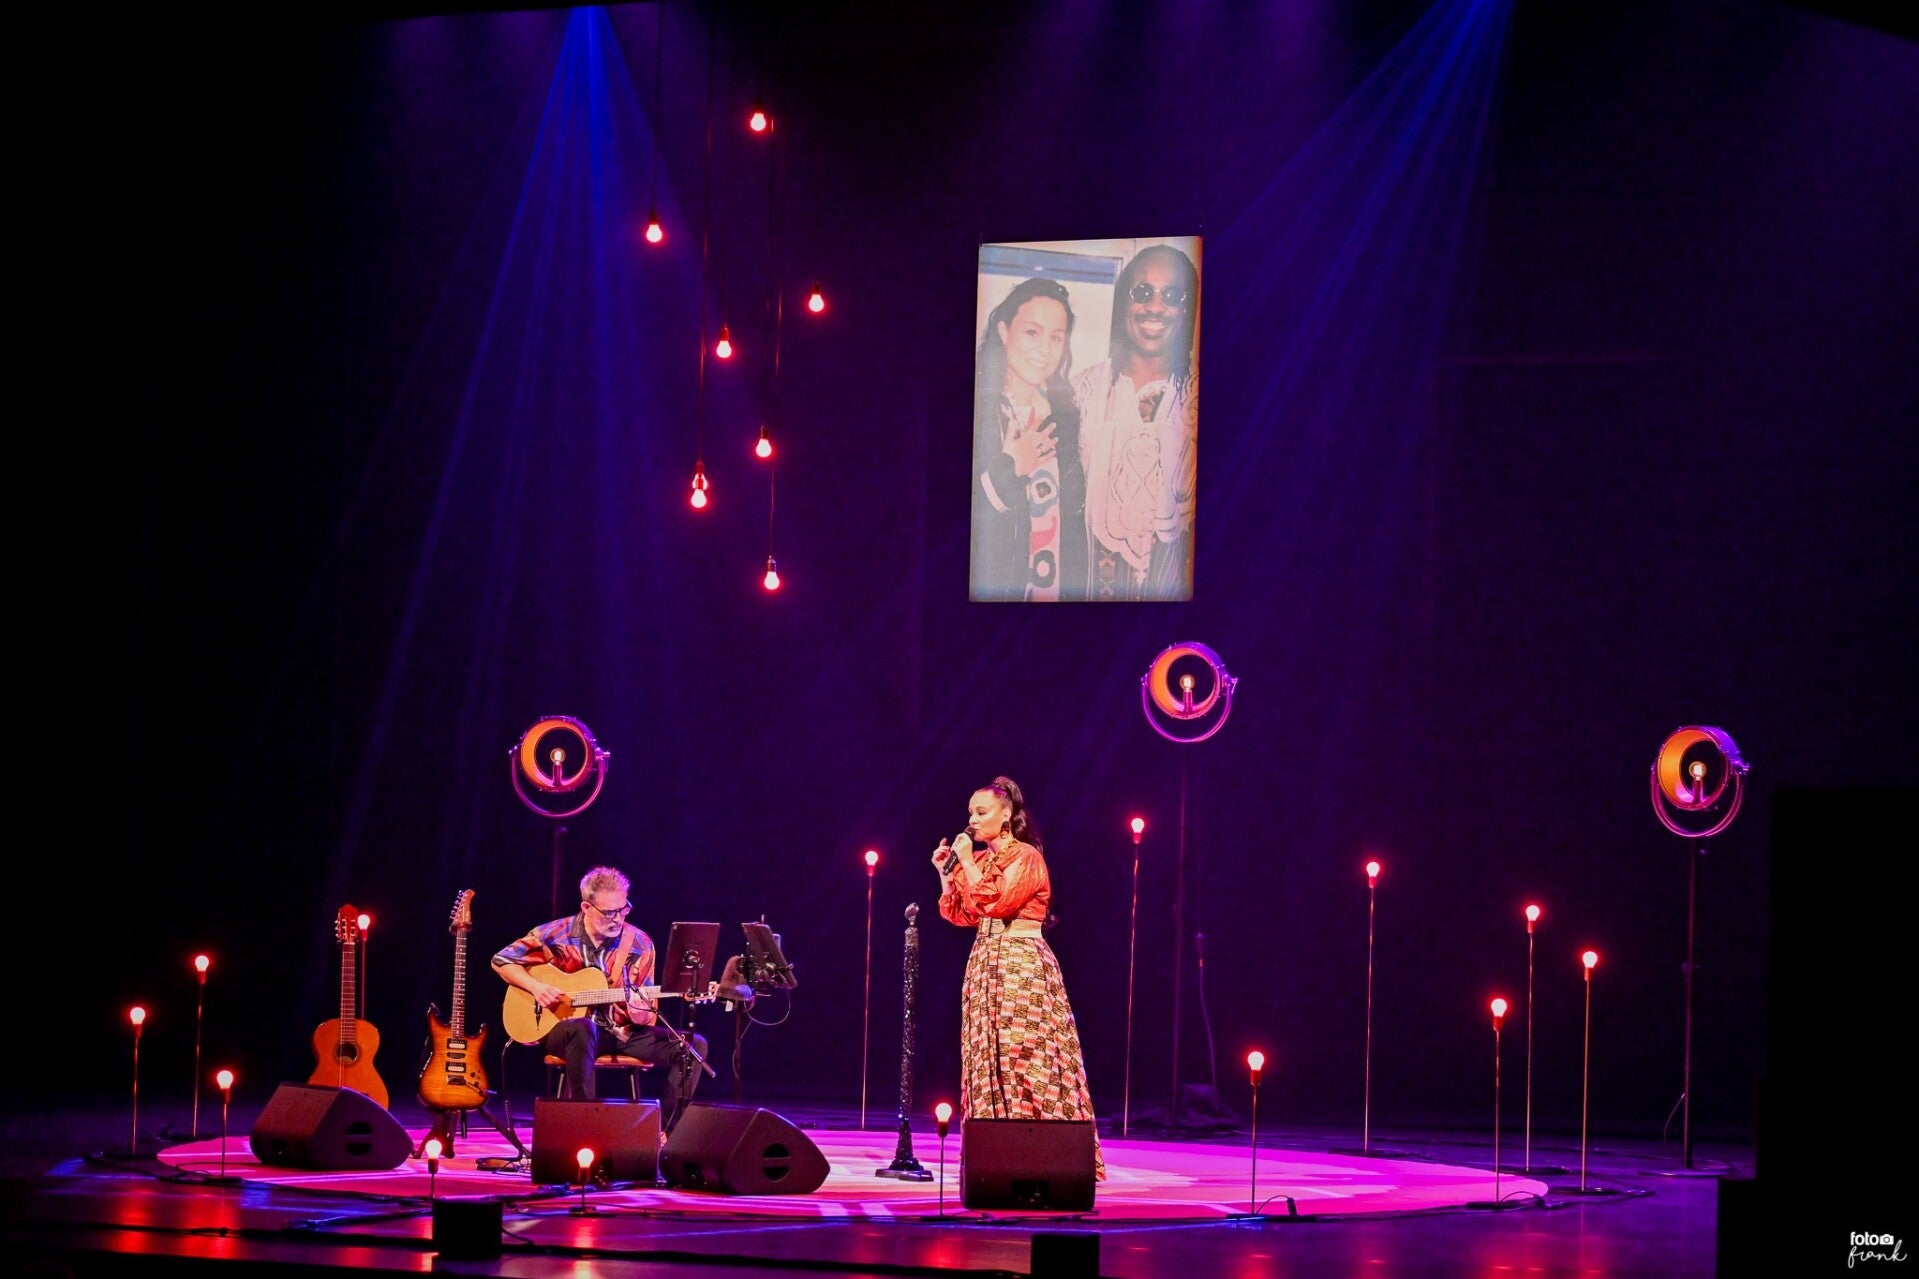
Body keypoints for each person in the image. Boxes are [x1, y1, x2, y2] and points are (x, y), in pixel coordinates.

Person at [933, 776, 1105, 1180]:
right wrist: (946, 872)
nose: (973, 820)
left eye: (982, 812)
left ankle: (1052, 1156)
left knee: (1024, 1055)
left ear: (1006, 816)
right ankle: (996, 1158)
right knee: (987, 1057)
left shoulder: (1026, 857)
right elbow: (962, 914)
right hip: (985, 962)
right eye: (970, 812)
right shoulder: (983, 861)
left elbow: (997, 902)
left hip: (1019, 964)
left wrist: (966, 862)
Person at [492, 866, 708, 1131]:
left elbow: (644, 1015)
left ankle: (666, 1134)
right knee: (584, 1027)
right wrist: (536, 987)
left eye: (623, 909)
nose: (618, 919)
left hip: (619, 1033)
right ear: (586, 907)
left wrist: (639, 1010)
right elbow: (501, 960)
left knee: (693, 1046)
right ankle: (586, 1127)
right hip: (567, 1032)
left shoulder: (639, 943)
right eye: (609, 912)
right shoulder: (556, 933)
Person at [1073, 243, 1199, 601]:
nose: (1155, 307)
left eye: (1171, 295)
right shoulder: (1081, 392)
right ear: (1124, 302)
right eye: (1142, 292)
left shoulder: (1202, 394)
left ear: (1186, 308)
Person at [970, 277, 1088, 601]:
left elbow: (1073, 527)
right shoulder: (978, 412)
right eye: (1032, 333)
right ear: (1004, 331)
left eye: (1056, 337)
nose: (1045, 350)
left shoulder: (1064, 417)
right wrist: (1009, 468)